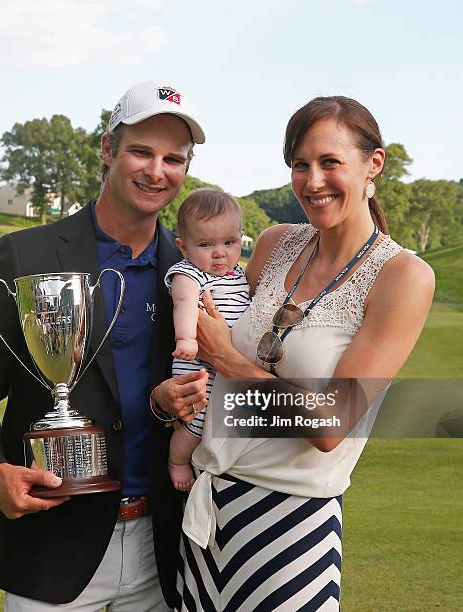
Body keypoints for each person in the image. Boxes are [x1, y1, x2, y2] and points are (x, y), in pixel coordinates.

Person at [0, 80, 209, 611]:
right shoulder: (26, 253)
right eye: (140, 151)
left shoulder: (194, 272)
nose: (157, 171)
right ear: (108, 150)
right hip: (52, 547)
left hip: (164, 554)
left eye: (173, 158)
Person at [175, 96, 435, 611]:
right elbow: (215, 364)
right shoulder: (274, 244)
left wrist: (233, 364)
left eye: (330, 162)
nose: (312, 181)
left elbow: (330, 429)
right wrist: (176, 395)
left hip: (292, 529)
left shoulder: (402, 277)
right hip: (205, 515)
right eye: (300, 164)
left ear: (373, 164)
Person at [164, 190, 250, 490]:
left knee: (221, 419)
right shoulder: (189, 274)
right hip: (196, 362)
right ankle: (177, 461)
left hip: (226, 366)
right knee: (197, 421)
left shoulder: (238, 275)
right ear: (183, 246)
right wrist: (186, 337)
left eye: (229, 243)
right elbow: (184, 303)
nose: (219, 253)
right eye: (205, 244)